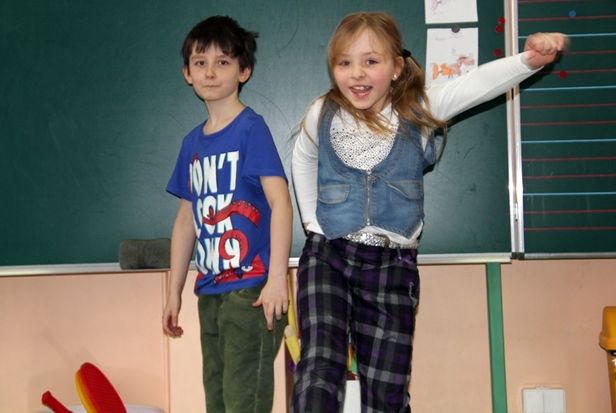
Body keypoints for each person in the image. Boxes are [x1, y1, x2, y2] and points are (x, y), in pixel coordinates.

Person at [290, 11, 568, 413]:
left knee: (387, 389)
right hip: (329, 256)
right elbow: (303, 156)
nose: (357, 74)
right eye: (344, 62)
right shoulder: (323, 110)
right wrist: (312, 224)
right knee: (319, 364)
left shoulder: (418, 109)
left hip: (391, 266)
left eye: (371, 61)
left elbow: (476, 85)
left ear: (396, 67)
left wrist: (528, 61)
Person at [162, 15, 292, 413]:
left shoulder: (251, 129)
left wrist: (277, 280)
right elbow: (186, 221)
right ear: (187, 74)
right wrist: (173, 292)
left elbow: (281, 203)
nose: (210, 72)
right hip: (211, 292)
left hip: (252, 291)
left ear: (243, 70)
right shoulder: (191, 143)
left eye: (223, 62)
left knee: (243, 403)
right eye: (200, 63)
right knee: (217, 402)